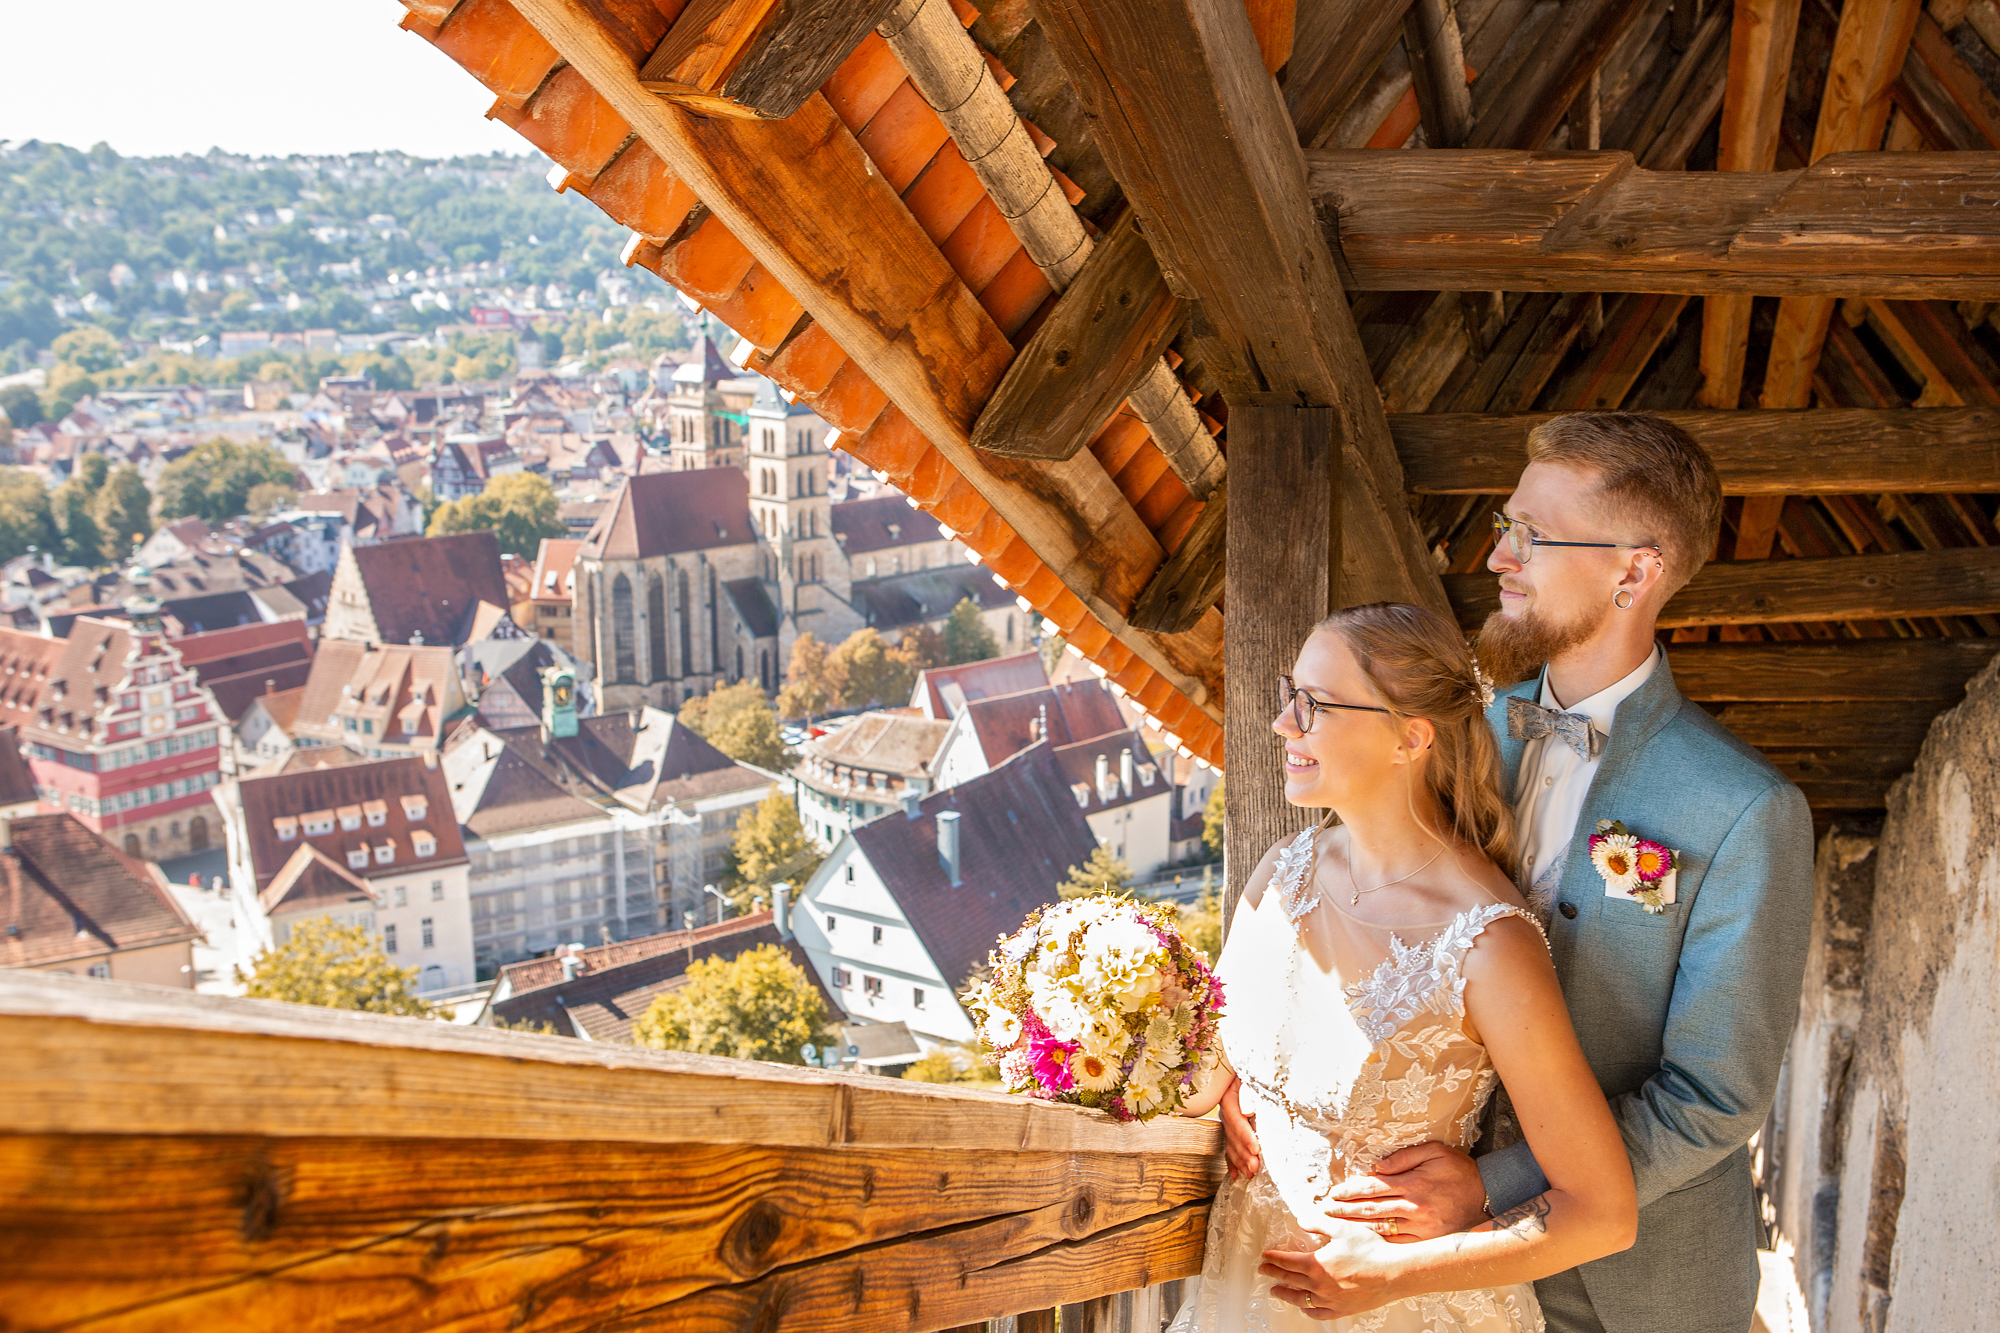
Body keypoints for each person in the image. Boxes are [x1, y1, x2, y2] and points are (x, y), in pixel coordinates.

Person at [1219, 412, 1815, 1333]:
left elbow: (1713, 1097)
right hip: (1393, 1262)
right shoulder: (1441, 733)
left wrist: (1486, 1185)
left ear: (1634, 570)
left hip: (1625, 1288)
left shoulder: (1742, 809)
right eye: (1506, 526)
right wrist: (1248, 1073)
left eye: (1532, 536)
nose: (1499, 556)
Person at [1169, 602, 1637, 1332]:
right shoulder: (1281, 872)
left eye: (1316, 705)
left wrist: (1394, 1275)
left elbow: (1604, 1213)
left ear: (1410, 737)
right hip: (1242, 1290)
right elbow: (1202, 1076)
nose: (1283, 723)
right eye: (1291, 694)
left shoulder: (1490, 943)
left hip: (1408, 1310)